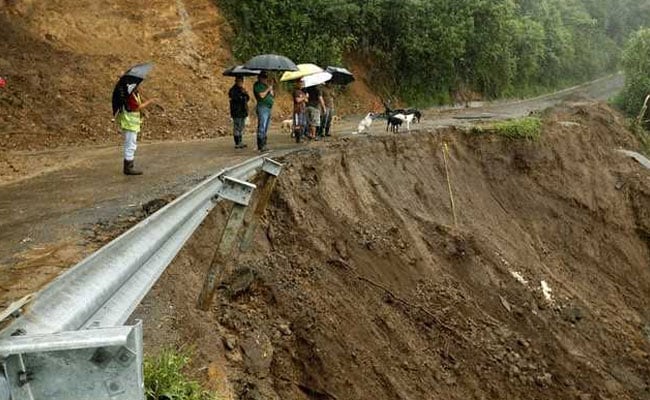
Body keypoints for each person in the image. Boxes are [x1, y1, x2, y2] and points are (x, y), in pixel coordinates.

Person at [116, 86, 156, 175]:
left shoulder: (132, 94)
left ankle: (129, 166)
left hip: (131, 123)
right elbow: (135, 108)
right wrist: (149, 102)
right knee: (131, 144)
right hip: (130, 124)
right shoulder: (129, 95)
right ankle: (128, 167)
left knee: (130, 144)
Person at [253, 71, 274, 152]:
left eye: (266, 77)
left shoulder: (266, 85)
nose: (265, 79)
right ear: (260, 78)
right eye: (264, 77)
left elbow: (272, 95)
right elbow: (261, 95)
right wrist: (268, 89)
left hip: (268, 107)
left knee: (265, 126)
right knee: (262, 126)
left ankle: (264, 144)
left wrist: (271, 89)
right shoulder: (257, 85)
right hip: (262, 107)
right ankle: (261, 145)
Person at [228, 76, 250, 149]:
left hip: (243, 111)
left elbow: (247, 98)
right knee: (237, 126)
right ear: (236, 81)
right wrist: (242, 94)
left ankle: (240, 141)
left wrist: (245, 93)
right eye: (239, 81)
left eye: (241, 81)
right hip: (236, 111)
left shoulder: (242, 89)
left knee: (241, 127)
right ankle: (237, 142)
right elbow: (236, 99)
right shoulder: (233, 90)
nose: (240, 83)